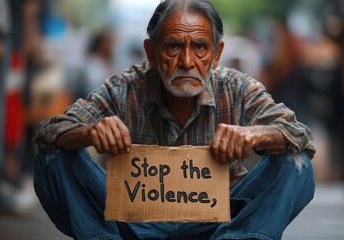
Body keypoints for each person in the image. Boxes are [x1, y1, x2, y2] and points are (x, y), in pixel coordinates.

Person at [33, 0, 316, 239]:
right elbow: (49, 131)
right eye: (173, 47)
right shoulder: (125, 88)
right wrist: (90, 132)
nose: (187, 61)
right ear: (151, 54)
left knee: (295, 162)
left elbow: (299, 134)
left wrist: (255, 135)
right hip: (133, 223)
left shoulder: (237, 88)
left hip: (221, 222)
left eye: (200, 48)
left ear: (216, 55)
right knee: (52, 158)